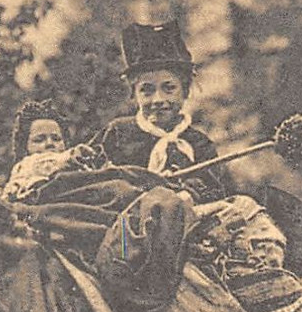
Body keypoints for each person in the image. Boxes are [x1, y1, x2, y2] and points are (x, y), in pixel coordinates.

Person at [93, 22, 233, 205]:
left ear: (185, 92)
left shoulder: (198, 143)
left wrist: (185, 191)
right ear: (133, 94)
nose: (158, 99)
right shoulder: (118, 133)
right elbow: (90, 175)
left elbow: (213, 192)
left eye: (169, 88)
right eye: (147, 90)